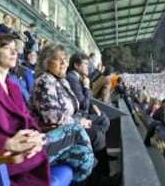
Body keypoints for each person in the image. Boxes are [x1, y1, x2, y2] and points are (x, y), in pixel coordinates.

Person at [0, 35, 94, 185]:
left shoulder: (13, 86)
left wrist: (37, 136)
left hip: (29, 147)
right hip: (7, 155)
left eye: (14, 49)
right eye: (7, 48)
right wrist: (8, 143)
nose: (14, 52)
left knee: (85, 156)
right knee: (76, 130)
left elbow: (29, 120)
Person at [30, 44, 120, 184]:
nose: (64, 63)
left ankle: (100, 175)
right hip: (54, 131)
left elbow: (75, 108)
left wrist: (81, 119)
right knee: (96, 135)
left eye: (65, 59)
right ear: (46, 62)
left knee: (97, 130)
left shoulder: (62, 81)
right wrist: (79, 122)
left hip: (69, 124)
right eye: (58, 60)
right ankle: (101, 178)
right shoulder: (44, 82)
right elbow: (52, 117)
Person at [66, 53, 110, 134]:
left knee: (103, 115)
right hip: (79, 116)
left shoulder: (77, 77)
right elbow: (83, 105)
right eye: (85, 64)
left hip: (84, 112)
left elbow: (85, 100)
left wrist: (92, 105)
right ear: (76, 65)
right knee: (104, 120)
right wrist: (86, 86)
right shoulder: (72, 78)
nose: (88, 67)